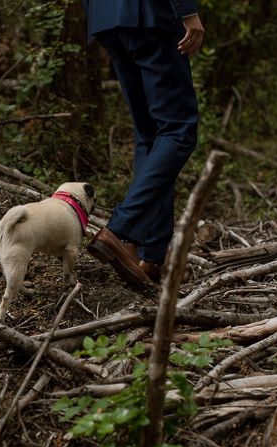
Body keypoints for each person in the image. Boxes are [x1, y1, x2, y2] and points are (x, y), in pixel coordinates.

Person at [83, 0, 204, 289]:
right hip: (149, 12)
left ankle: (149, 257)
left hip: (106, 18)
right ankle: (122, 231)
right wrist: (188, 10)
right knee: (178, 129)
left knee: (150, 134)